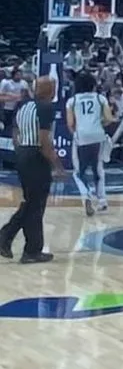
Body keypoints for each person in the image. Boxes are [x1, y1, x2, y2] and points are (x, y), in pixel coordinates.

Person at [1, 76, 58, 262]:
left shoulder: (23, 106)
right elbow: (44, 140)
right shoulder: (46, 108)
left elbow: (15, 133)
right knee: (35, 204)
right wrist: (57, 166)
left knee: (31, 203)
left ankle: (26, 246)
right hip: (36, 156)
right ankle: (15, 241)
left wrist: (21, 151)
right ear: (49, 90)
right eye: (53, 87)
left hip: (22, 154)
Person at [65, 72, 111, 216]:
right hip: (98, 135)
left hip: (81, 136)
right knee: (98, 168)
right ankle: (102, 200)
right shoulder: (100, 98)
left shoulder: (72, 101)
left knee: (79, 171)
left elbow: (70, 123)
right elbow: (109, 118)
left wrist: (76, 134)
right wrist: (98, 125)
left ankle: (86, 196)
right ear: (93, 85)